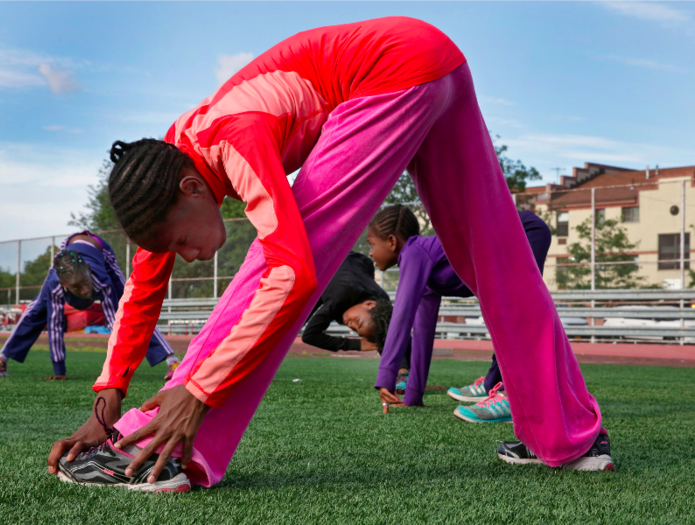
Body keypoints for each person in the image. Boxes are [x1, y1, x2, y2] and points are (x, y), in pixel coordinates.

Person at [49, 17, 612, 494]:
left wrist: (199, 390)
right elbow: (143, 291)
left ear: (193, 190)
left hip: (385, 75)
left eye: (179, 243)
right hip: (439, 61)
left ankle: (161, 449)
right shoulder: (168, 168)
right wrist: (104, 411)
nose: (187, 257)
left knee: (281, 266)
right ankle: (570, 434)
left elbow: (292, 275)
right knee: (495, 264)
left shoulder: (231, 136)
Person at [367, 205, 551, 424]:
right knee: (509, 314)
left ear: (391, 241)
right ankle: (493, 384)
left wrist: (387, 376)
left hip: (524, 232)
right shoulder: (424, 265)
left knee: (516, 313)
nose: (369, 253)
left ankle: (515, 397)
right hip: (507, 241)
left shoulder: (414, 252)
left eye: (371, 244)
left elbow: (401, 316)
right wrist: (413, 396)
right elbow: (422, 332)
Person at [0, 232, 180, 381]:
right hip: (67, 254)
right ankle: (1, 358)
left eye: (85, 283)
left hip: (101, 251)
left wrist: (114, 369)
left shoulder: (102, 281)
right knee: (36, 309)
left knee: (131, 307)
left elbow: (112, 323)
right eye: (77, 287)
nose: (85, 292)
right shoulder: (55, 286)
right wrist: (59, 370)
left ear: (89, 272)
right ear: (64, 285)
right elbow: (55, 327)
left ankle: (172, 361)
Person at [301, 250, 413, 387]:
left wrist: (404, 371)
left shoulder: (381, 302)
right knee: (295, 323)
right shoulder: (340, 297)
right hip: (319, 259)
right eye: (358, 322)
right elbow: (309, 335)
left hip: (357, 263)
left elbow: (391, 336)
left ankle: (404, 375)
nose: (350, 324)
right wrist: (356, 344)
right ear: (369, 304)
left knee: (386, 331)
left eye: (354, 329)